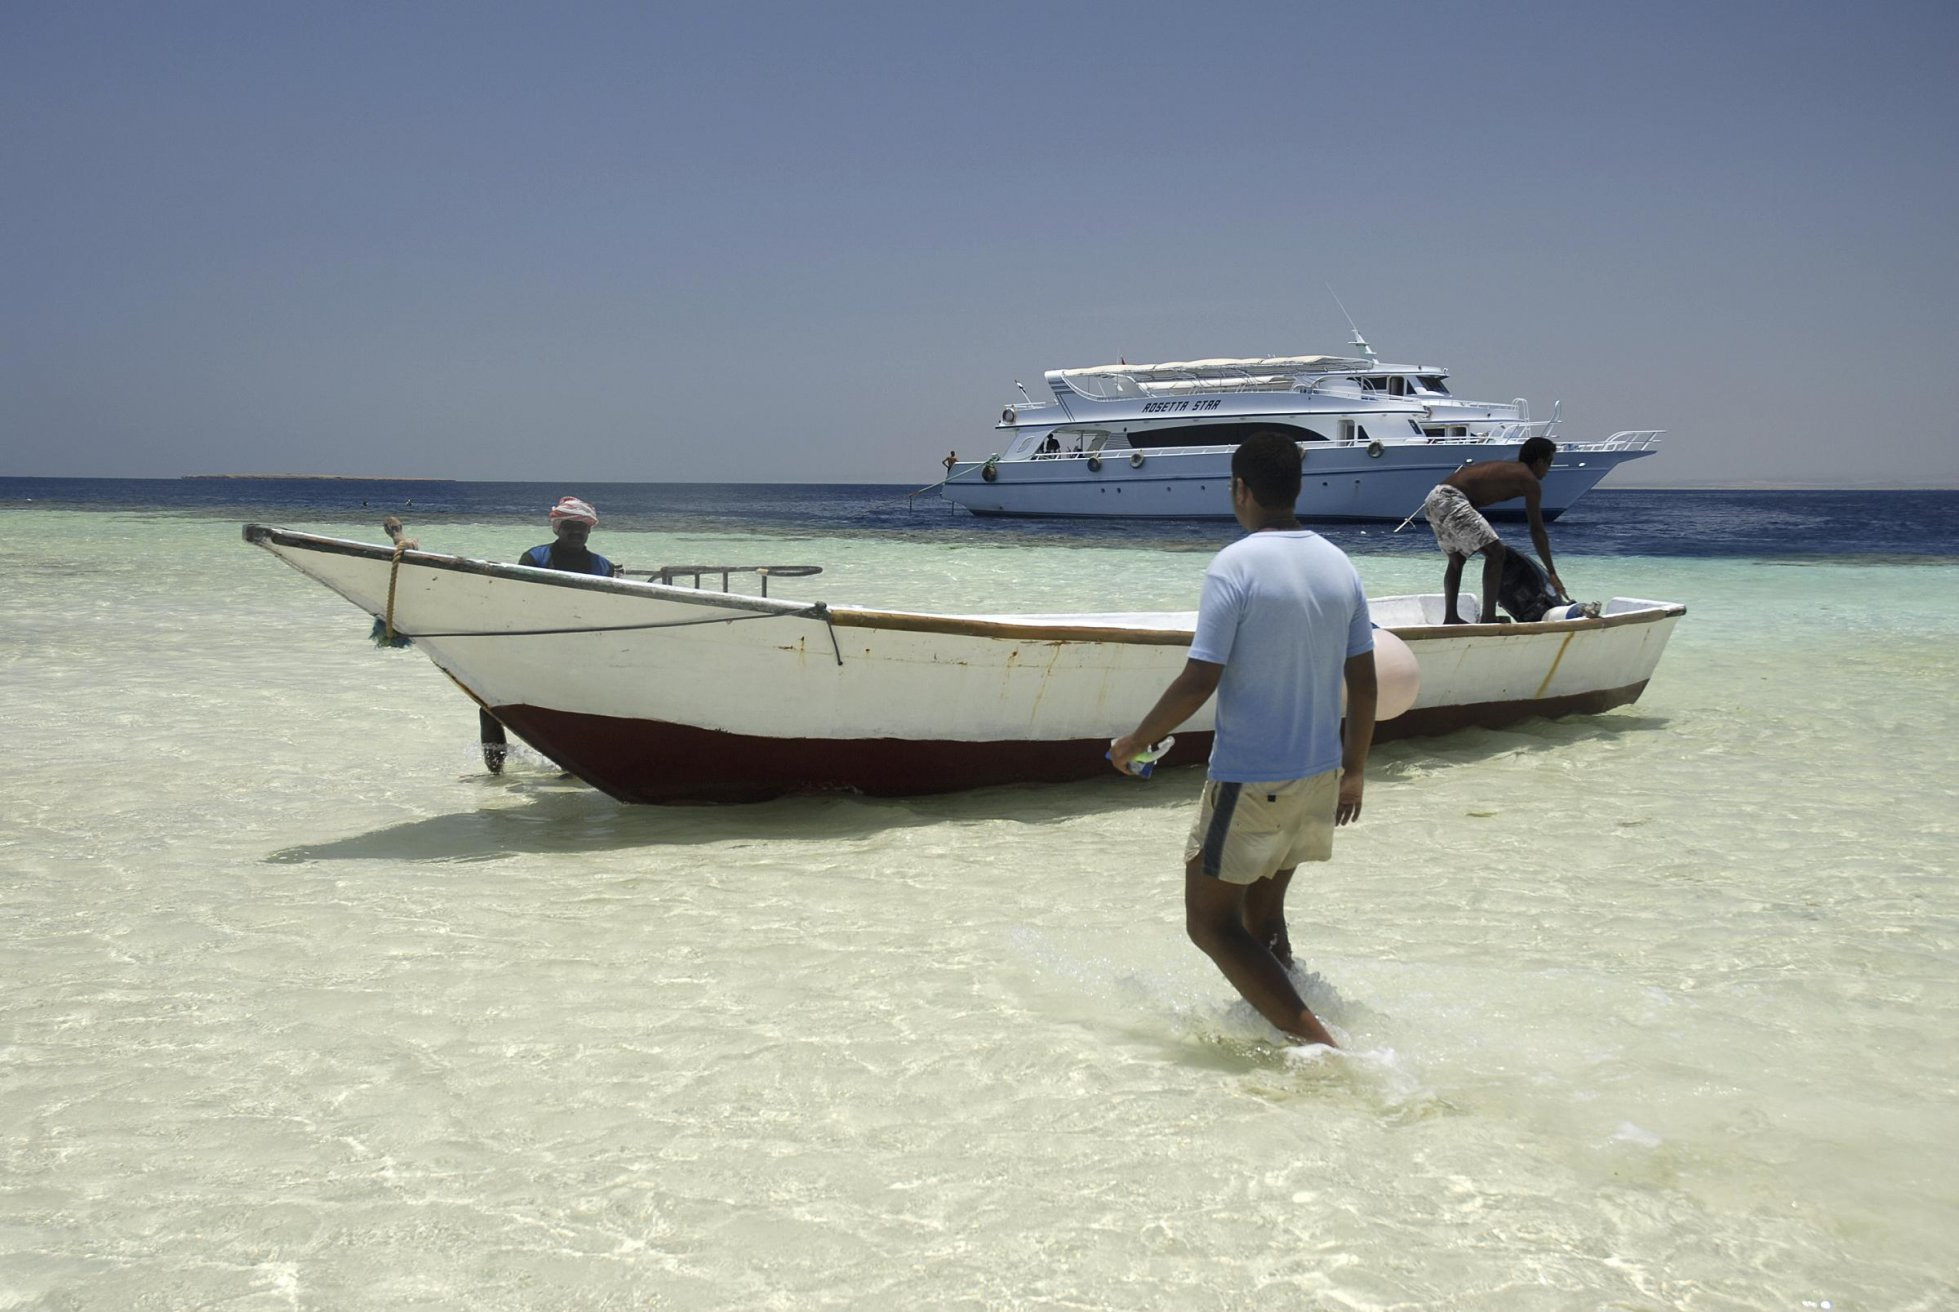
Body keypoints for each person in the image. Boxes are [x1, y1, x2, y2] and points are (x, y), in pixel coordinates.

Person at [1109, 431, 1377, 1049]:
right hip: (1319, 776)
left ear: (1240, 489)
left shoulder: (1235, 565)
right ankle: (1294, 1008)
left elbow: (1200, 678)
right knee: (1263, 912)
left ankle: (1318, 1042)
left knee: (1209, 923)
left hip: (1254, 779)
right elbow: (1364, 683)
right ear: (1296, 488)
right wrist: (1354, 769)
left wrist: (1133, 741)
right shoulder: (1339, 564)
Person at [480, 496, 616, 772]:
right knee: (490, 702)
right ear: (557, 527)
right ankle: (495, 771)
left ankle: (573, 769)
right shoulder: (534, 558)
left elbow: (610, 612)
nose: (576, 532)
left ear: (590, 530)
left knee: (575, 711)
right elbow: (517, 601)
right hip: (533, 645)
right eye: (569, 526)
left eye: (582, 527)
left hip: (580, 651)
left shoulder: (603, 567)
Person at [1420, 435, 1566, 624]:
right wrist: (1552, 573)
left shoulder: (1512, 470)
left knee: (1457, 559)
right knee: (1497, 553)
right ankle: (1488, 618)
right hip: (1450, 498)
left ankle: (1451, 617)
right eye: (1549, 462)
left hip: (1434, 499)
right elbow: (1537, 530)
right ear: (1539, 462)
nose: (1549, 469)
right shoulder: (1529, 480)